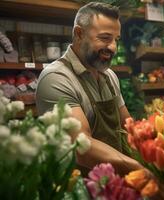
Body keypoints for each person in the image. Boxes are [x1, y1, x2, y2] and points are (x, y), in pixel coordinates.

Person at [36, 2, 142, 176]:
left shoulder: (110, 77)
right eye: (105, 38)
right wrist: (138, 168)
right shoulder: (56, 78)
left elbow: (128, 127)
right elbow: (82, 146)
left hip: (112, 182)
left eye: (116, 40)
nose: (113, 47)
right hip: (76, 187)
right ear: (79, 34)